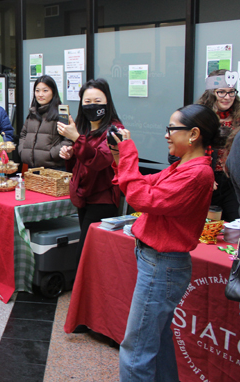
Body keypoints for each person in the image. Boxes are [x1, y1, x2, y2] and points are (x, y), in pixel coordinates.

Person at [109, 104, 221, 382]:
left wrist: (128, 153)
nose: (167, 135)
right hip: (158, 262)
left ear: (194, 134)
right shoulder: (185, 167)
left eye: (172, 129)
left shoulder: (197, 174)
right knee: (155, 343)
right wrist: (119, 155)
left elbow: (141, 199)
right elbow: (143, 184)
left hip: (162, 265)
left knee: (136, 350)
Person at [58, 78, 123, 288]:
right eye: (87, 101)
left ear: (107, 102)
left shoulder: (115, 130)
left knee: (88, 255)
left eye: (98, 100)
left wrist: (76, 139)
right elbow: (81, 165)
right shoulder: (85, 128)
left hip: (104, 199)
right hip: (84, 197)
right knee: (89, 254)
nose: (92, 105)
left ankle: (85, 304)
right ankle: (85, 302)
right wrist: (69, 155)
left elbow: (100, 160)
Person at [196, 69, 240, 222]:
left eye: (231, 92)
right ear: (211, 93)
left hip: (232, 179)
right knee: (207, 226)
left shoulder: (238, 117)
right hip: (207, 179)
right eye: (221, 92)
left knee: (235, 222)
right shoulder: (199, 116)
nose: (227, 97)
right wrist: (203, 174)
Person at [19, 75, 71, 169]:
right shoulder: (32, 112)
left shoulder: (61, 113)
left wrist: (52, 154)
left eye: (45, 90)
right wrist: (23, 150)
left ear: (53, 92)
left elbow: (69, 139)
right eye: (37, 90)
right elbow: (23, 134)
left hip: (53, 168)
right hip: (32, 168)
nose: (40, 94)